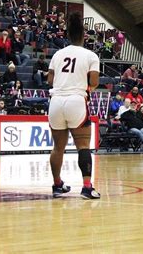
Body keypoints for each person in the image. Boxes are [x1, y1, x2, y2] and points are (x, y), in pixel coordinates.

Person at [47, 12, 101, 199]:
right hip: (76, 100)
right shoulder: (90, 55)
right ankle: (86, 187)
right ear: (84, 35)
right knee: (83, 146)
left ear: (67, 35)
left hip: (56, 101)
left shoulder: (58, 54)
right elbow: (93, 82)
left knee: (57, 148)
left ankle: (57, 185)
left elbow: (50, 79)